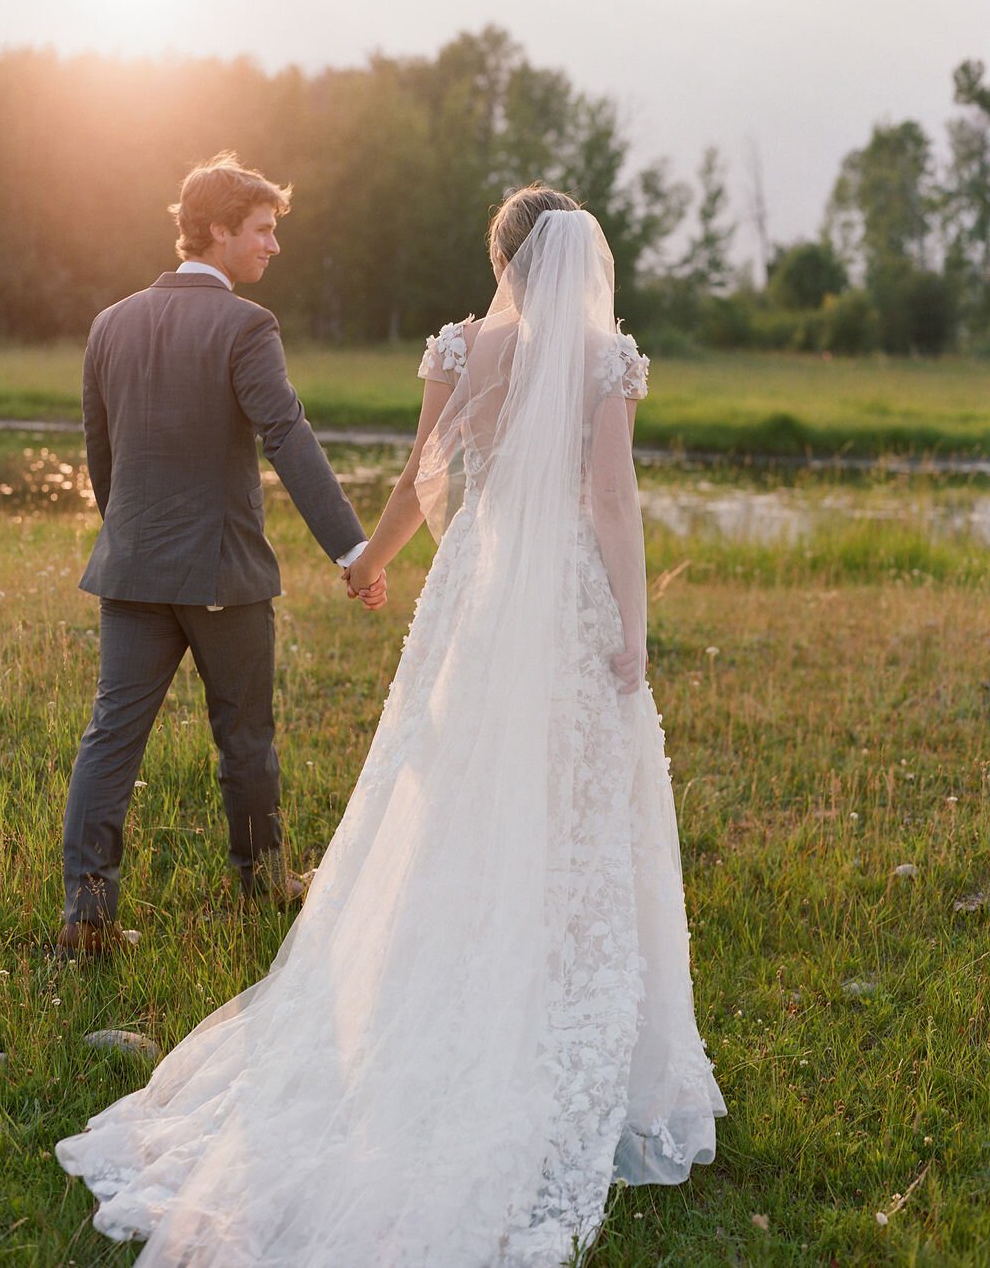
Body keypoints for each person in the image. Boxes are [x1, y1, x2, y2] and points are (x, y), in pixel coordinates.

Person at [56, 184, 725, 1264]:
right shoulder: (607, 358)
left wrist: (374, 558)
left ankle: (429, 979)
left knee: (450, 783)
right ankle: (559, 1012)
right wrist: (634, 630)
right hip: (558, 594)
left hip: (475, 584)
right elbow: (610, 502)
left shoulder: (457, 350)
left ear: (498, 256)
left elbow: (425, 476)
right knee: (575, 802)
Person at [57, 153, 386, 960]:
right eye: (263, 231)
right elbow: (288, 439)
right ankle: (261, 880)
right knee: (245, 736)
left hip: (131, 571)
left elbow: (104, 458)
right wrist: (355, 548)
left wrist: (131, 539)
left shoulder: (111, 322)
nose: (273, 247)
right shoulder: (247, 326)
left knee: (111, 737)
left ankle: (87, 918)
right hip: (221, 577)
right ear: (216, 231)